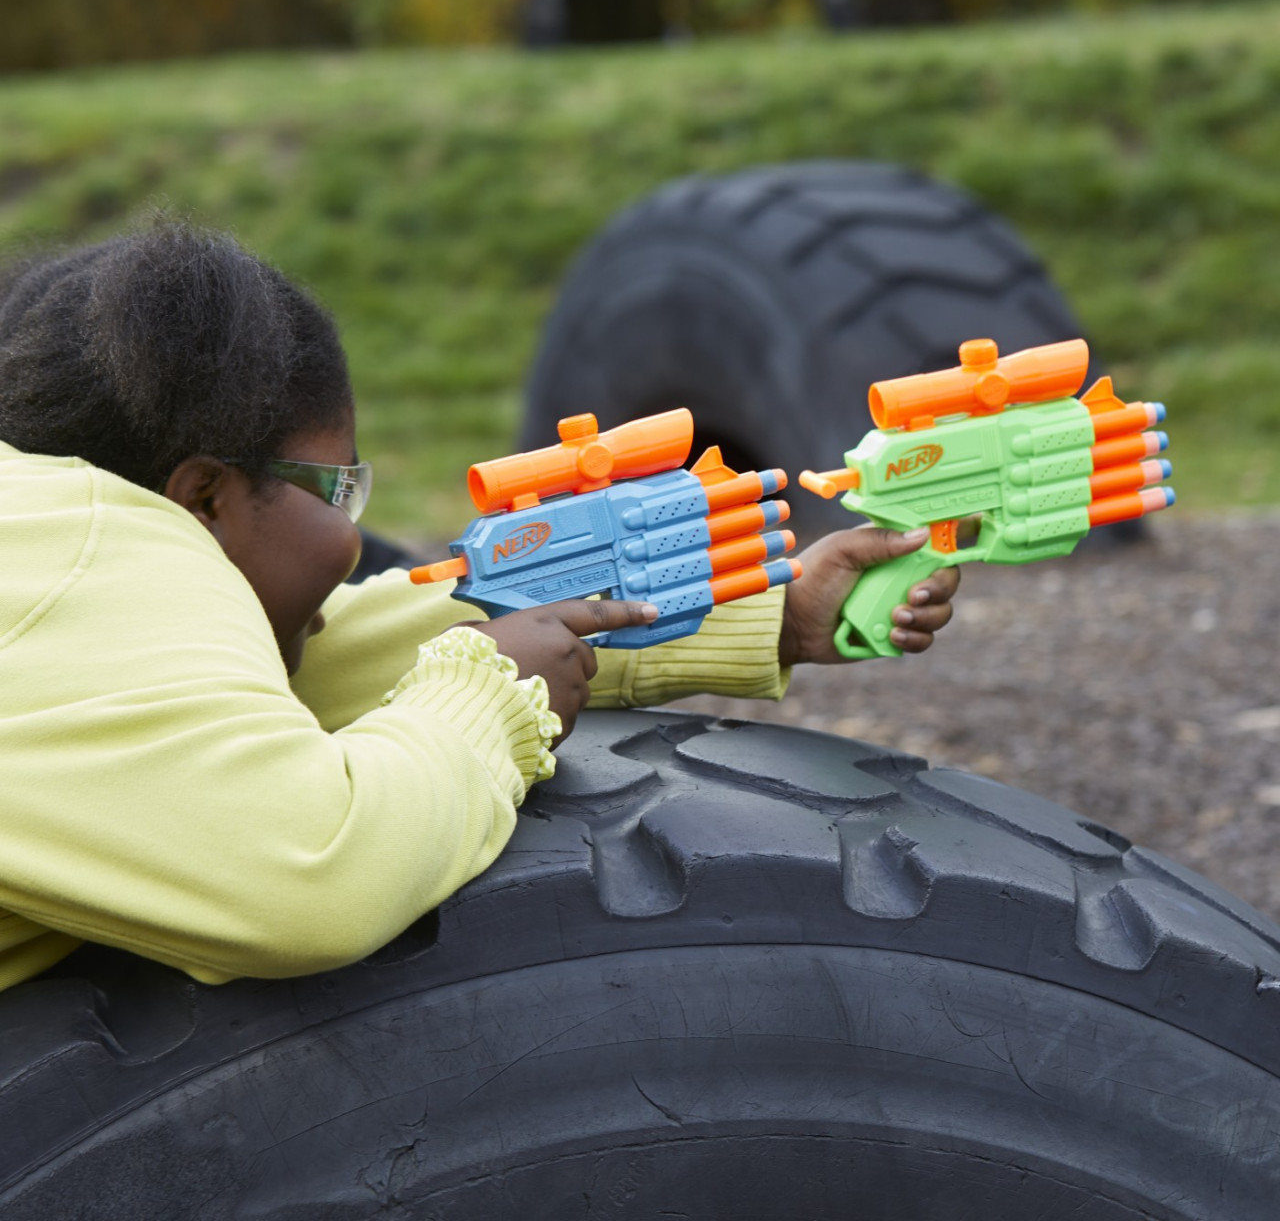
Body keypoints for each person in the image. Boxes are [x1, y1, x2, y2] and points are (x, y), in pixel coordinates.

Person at [0, 220, 958, 992]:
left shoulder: (46, 554)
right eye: (340, 490)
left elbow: (279, 688)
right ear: (204, 497)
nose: (350, 539)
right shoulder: (103, 546)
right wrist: (491, 699)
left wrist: (758, 608)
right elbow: (316, 872)